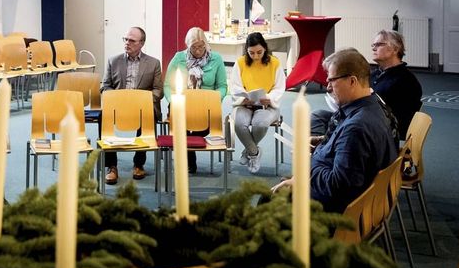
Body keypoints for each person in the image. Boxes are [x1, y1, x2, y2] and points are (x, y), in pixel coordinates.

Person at [273, 49, 397, 213]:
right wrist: (321, 145)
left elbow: (337, 186)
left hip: (339, 213)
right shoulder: (372, 106)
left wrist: (305, 167)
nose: (328, 87)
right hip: (361, 200)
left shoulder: (356, 128)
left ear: (352, 81)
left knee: (268, 202)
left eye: (332, 80)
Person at [101, 26, 163, 185]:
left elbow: (158, 90)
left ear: (141, 43)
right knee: (103, 117)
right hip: (117, 107)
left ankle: (138, 163)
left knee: (148, 116)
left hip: (143, 108)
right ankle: (112, 166)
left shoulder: (154, 63)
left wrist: (142, 101)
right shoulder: (113, 61)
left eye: (132, 40)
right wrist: (117, 100)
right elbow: (105, 86)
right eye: (126, 39)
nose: (127, 43)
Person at [164, 26, 227, 173]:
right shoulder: (179, 58)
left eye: (201, 46)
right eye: (194, 47)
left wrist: (213, 99)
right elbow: (167, 85)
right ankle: (189, 162)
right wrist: (172, 100)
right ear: (187, 45)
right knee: (181, 126)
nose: (198, 51)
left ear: (206, 44)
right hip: (182, 104)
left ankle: (187, 153)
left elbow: (223, 86)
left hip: (206, 106)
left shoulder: (216, 59)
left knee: (200, 129)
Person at [231, 32, 285, 174]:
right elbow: (235, 86)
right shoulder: (241, 62)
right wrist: (244, 98)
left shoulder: (275, 63)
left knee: (260, 123)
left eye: (259, 52)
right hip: (245, 103)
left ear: (265, 48)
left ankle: (248, 150)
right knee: (238, 123)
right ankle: (254, 153)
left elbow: (279, 87)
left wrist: (269, 97)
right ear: (246, 50)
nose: (255, 56)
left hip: (268, 105)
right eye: (251, 53)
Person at [370, 29, 423, 138]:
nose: (374, 48)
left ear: (395, 49)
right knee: (326, 116)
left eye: (379, 44)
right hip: (370, 121)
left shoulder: (406, 81)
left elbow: (398, 119)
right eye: (373, 45)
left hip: (387, 133)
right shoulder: (375, 74)